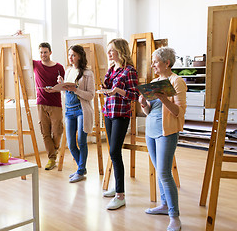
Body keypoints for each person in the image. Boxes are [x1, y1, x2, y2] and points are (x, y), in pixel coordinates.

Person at [138, 47, 186, 231]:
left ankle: (175, 217)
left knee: (165, 173)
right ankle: (165, 205)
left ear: (167, 63)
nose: (153, 65)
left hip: (167, 132)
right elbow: (150, 110)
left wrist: (165, 99)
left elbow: (178, 112)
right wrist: (144, 105)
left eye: (156, 61)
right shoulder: (154, 82)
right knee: (159, 170)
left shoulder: (176, 81)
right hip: (150, 131)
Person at [101, 39, 139, 210]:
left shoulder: (129, 71)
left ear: (121, 51)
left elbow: (135, 95)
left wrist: (118, 91)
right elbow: (107, 87)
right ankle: (117, 188)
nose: (109, 54)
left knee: (115, 151)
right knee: (113, 151)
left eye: (112, 51)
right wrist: (104, 88)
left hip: (121, 115)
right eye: (108, 51)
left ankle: (120, 195)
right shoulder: (111, 69)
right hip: (108, 113)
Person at [58, 45, 95, 183]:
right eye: (69, 55)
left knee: (81, 141)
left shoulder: (87, 73)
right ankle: (82, 167)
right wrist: (62, 85)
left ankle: (80, 171)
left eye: (73, 55)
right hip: (69, 110)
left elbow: (91, 95)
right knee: (71, 144)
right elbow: (66, 93)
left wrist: (76, 89)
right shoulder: (68, 71)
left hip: (81, 110)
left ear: (79, 56)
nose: (70, 58)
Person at [33, 42, 65, 170]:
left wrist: (56, 88)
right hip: (41, 103)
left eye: (45, 52)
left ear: (50, 52)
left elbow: (64, 86)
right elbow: (22, 53)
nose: (43, 55)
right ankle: (52, 158)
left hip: (55, 103)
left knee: (57, 130)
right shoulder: (35, 65)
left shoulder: (59, 67)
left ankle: (54, 149)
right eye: (41, 52)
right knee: (45, 132)